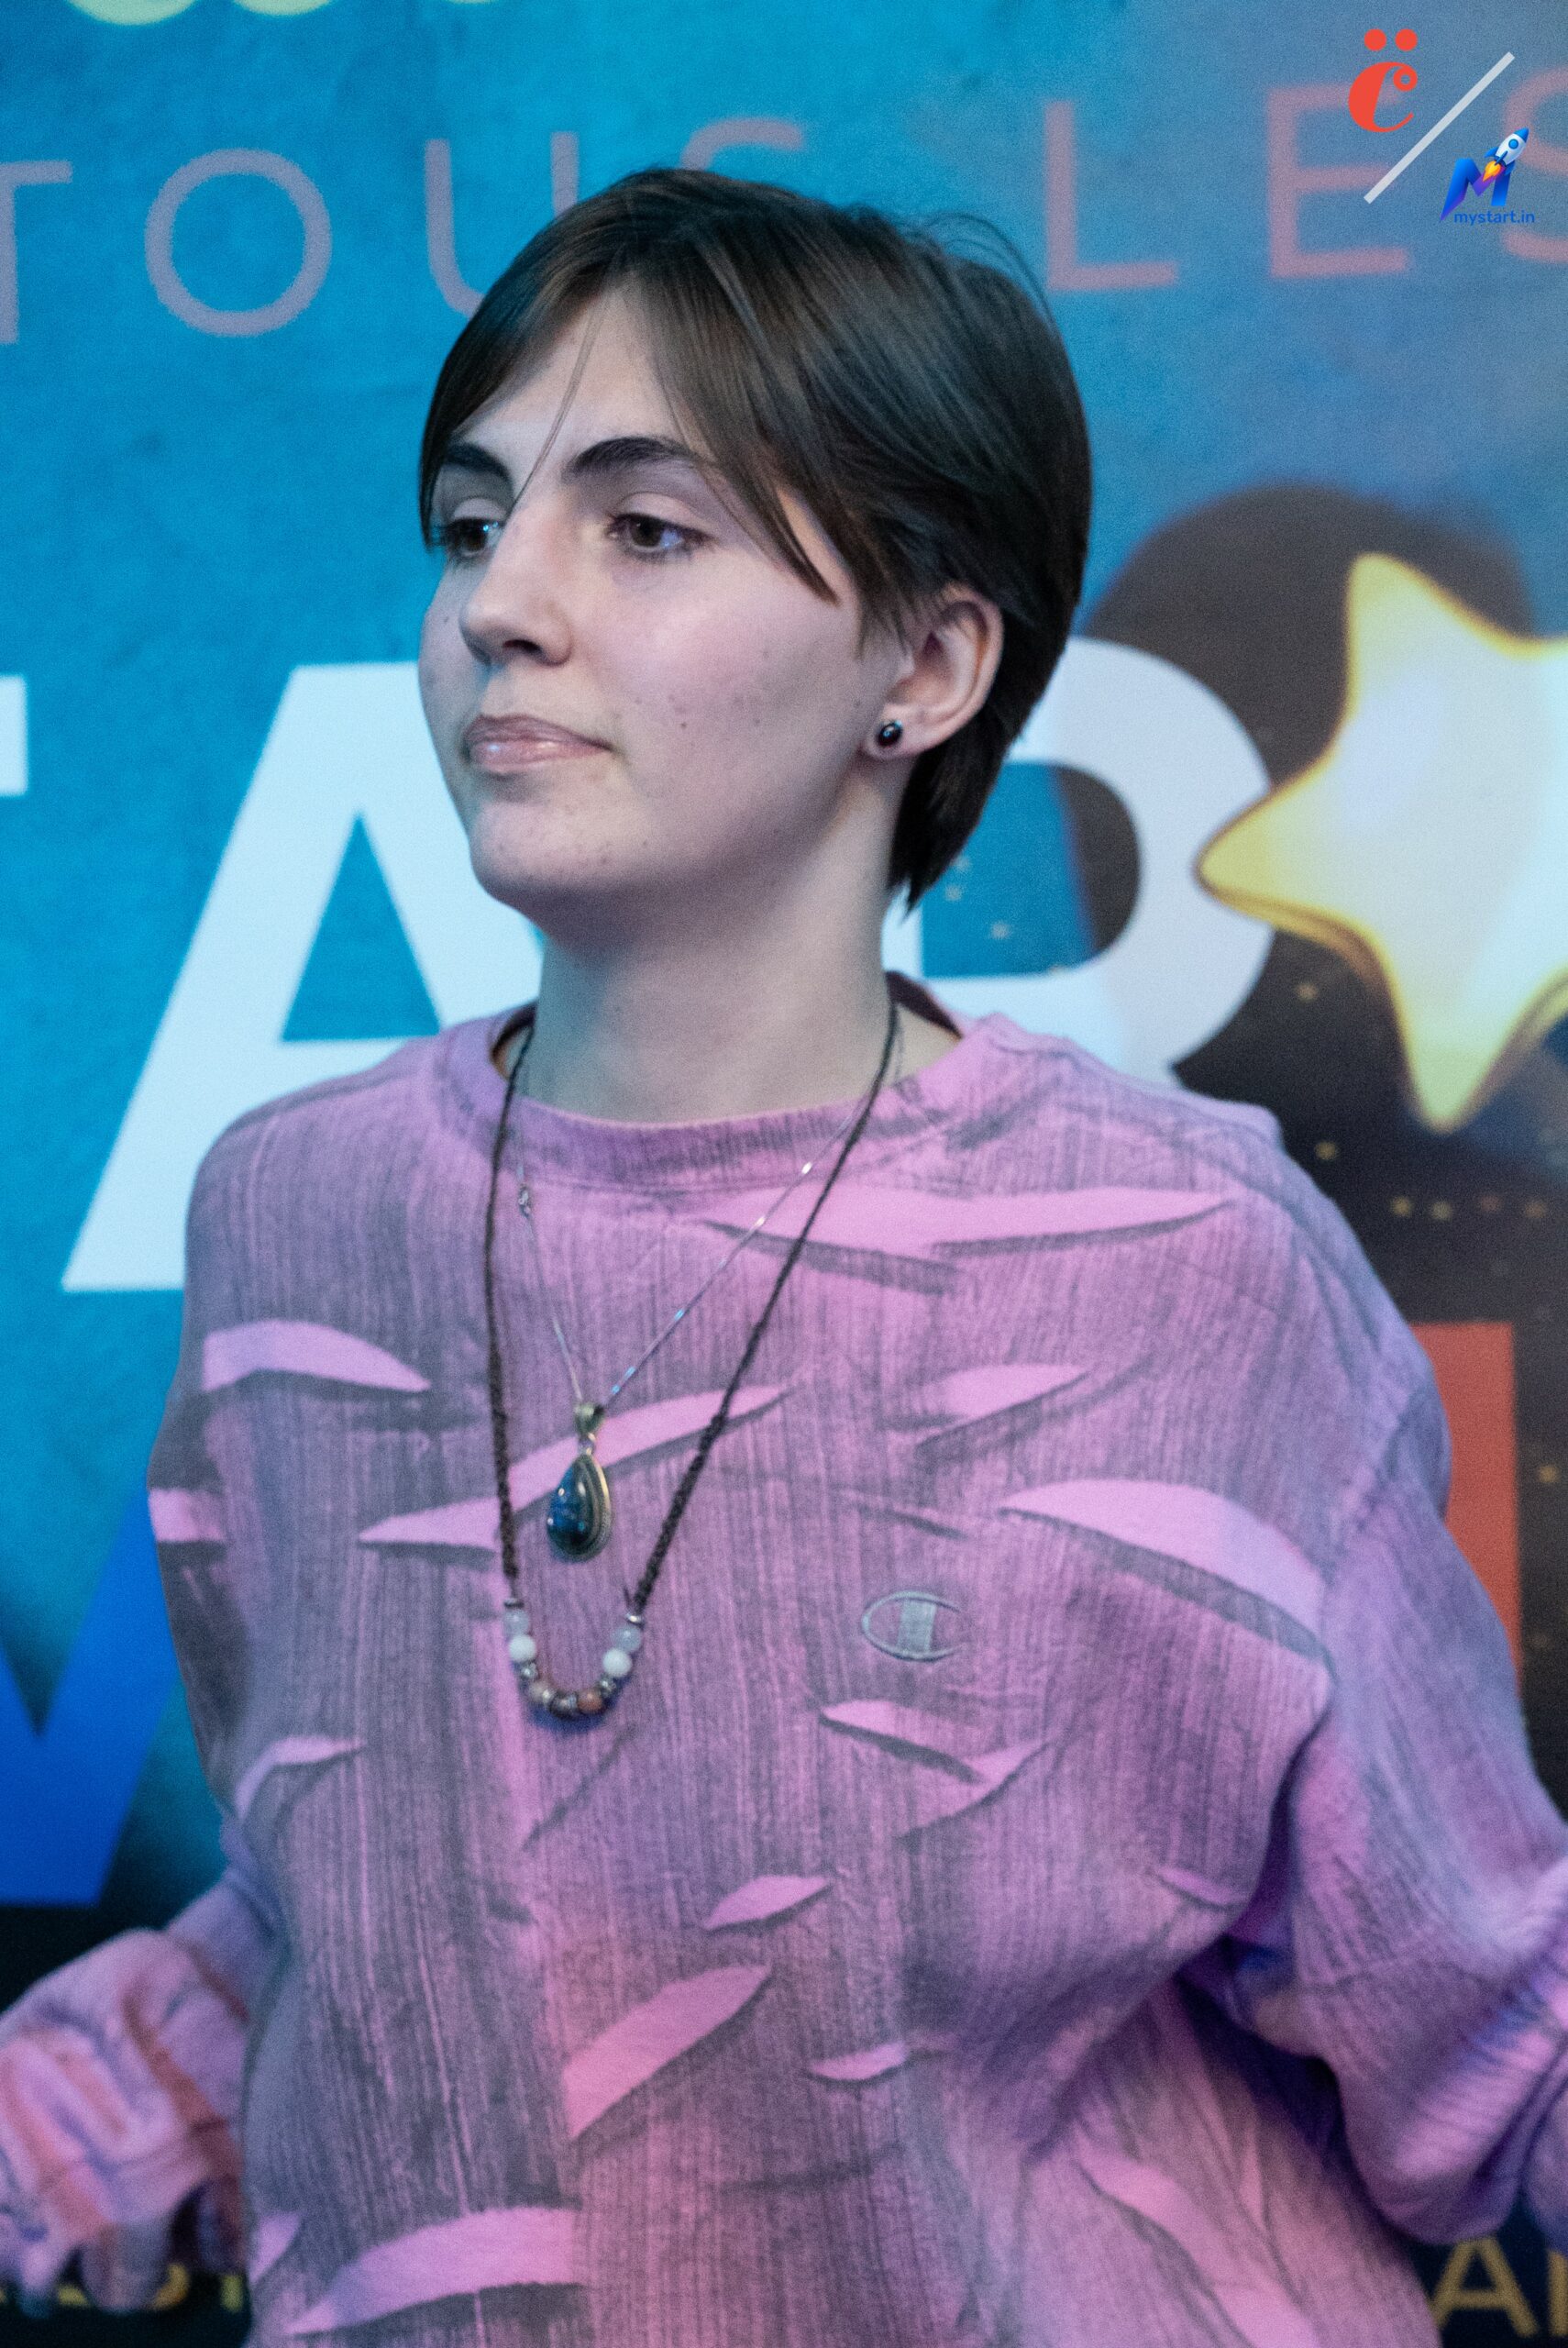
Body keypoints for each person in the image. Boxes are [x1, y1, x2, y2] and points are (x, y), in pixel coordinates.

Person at [3, 164, 1568, 2348]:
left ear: (923, 662)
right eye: (470, 522)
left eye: (645, 529)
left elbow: (1489, 2028)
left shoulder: (1190, 1264)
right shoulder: (296, 1218)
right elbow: (354, 1905)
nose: (500, 605)